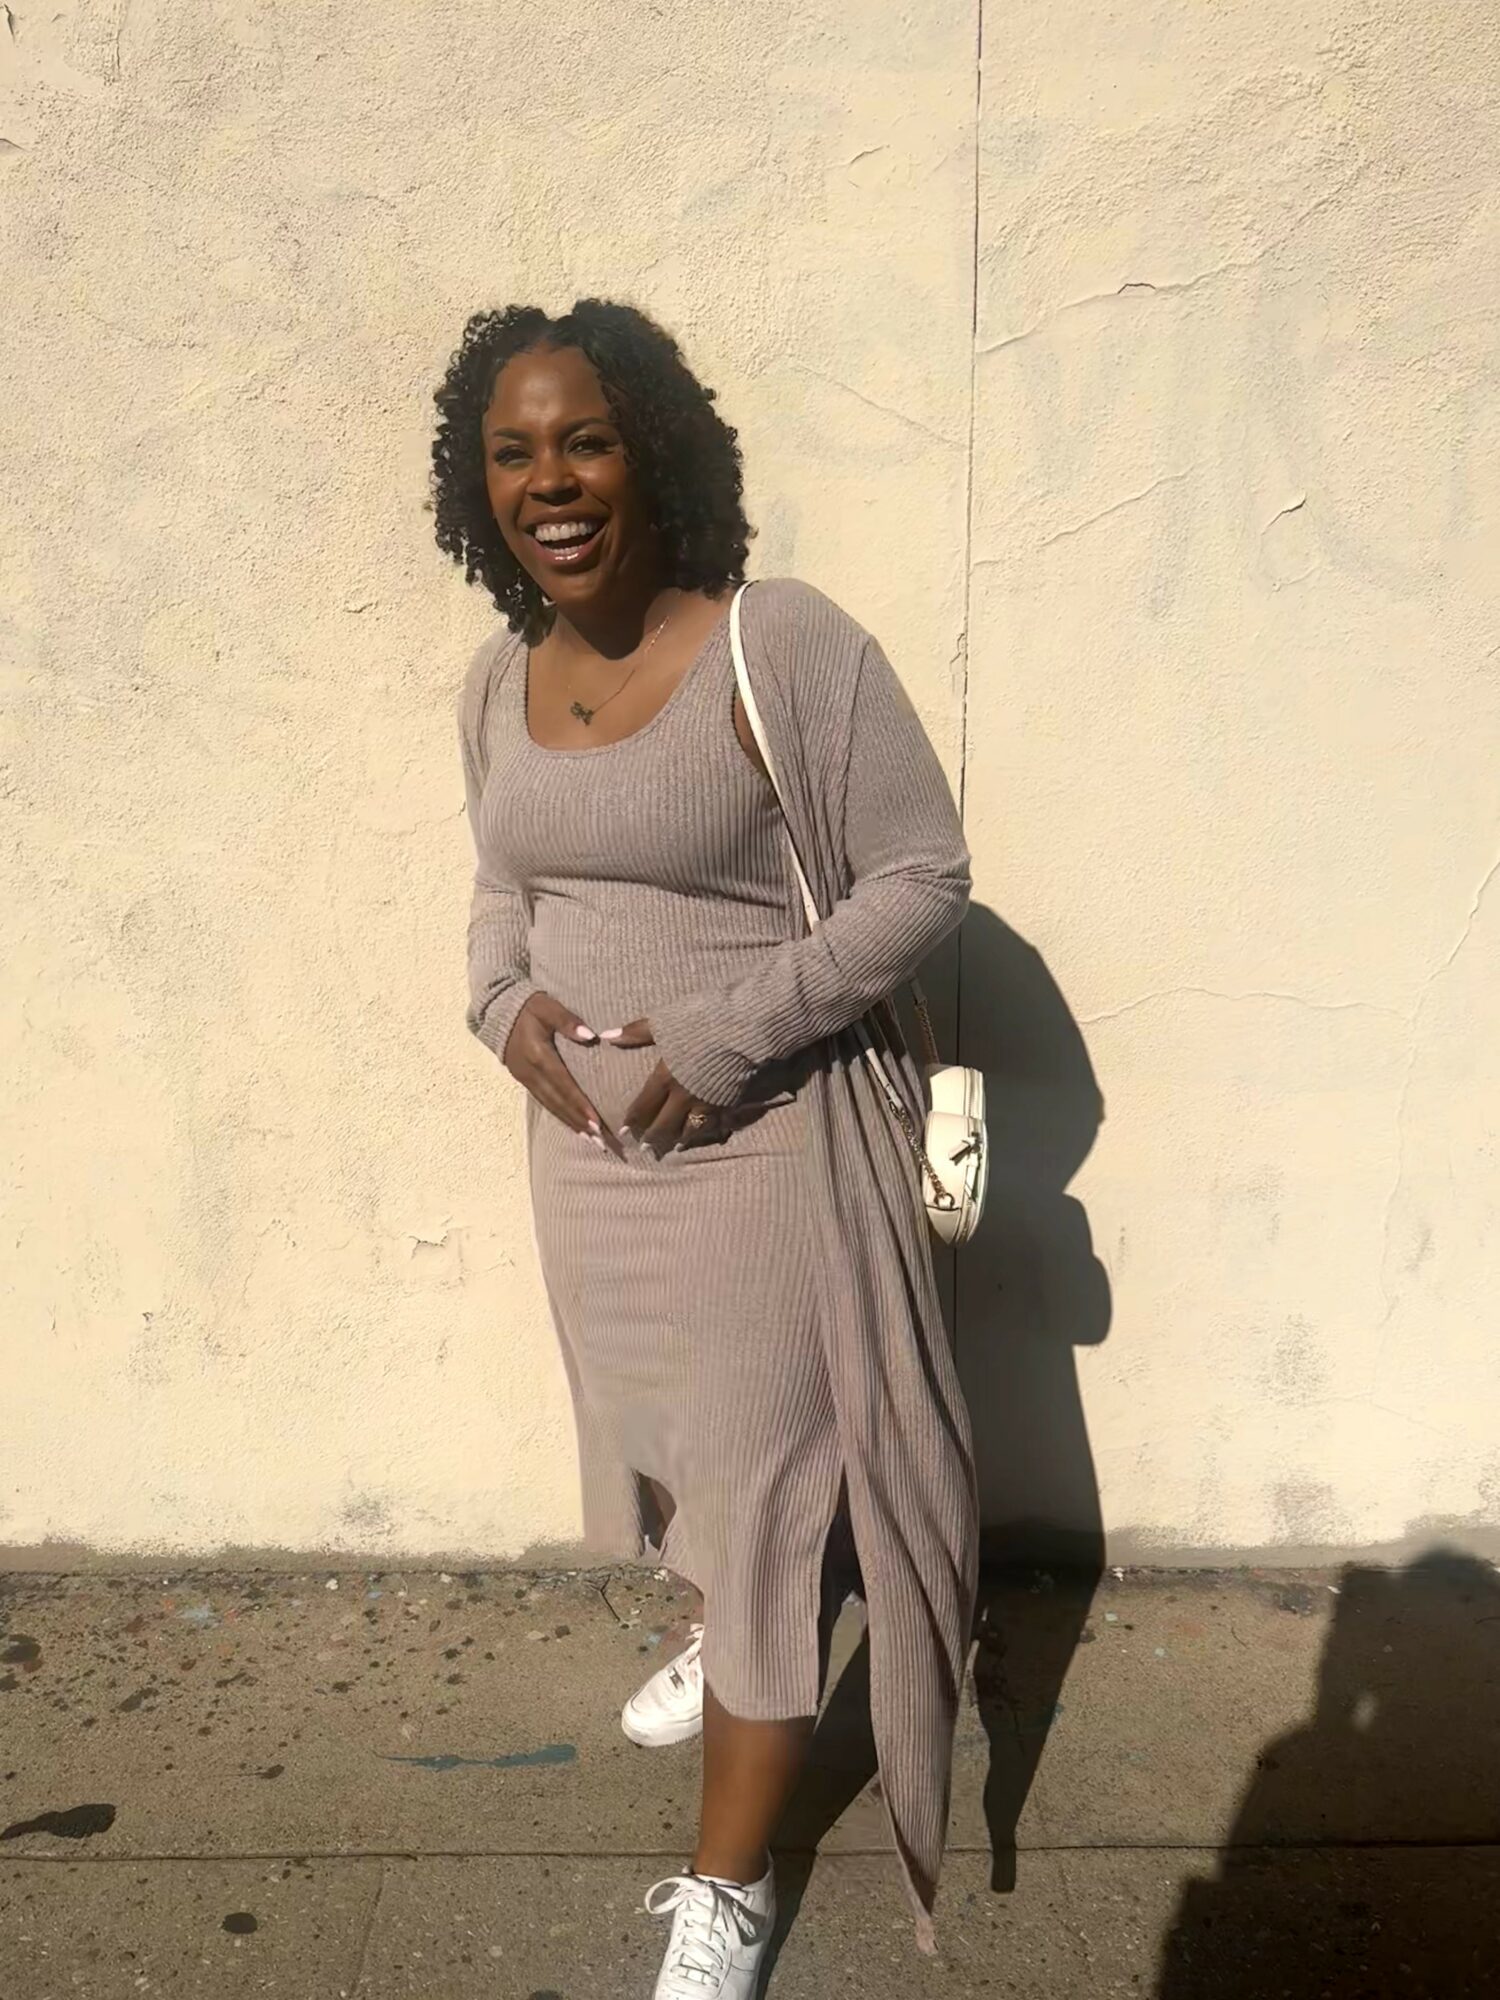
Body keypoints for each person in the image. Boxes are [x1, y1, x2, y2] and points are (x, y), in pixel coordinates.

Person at [433, 297, 978, 1998]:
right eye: (511, 453)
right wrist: (500, 1007)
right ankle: (739, 1615)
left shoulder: (780, 643)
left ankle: (727, 1888)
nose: (551, 481)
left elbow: (920, 876)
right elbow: (505, 892)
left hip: (763, 1155)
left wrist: (726, 1035)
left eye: (582, 439)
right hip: (586, 1167)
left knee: (757, 1497)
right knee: (684, 1456)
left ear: (653, 450)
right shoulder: (494, 681)